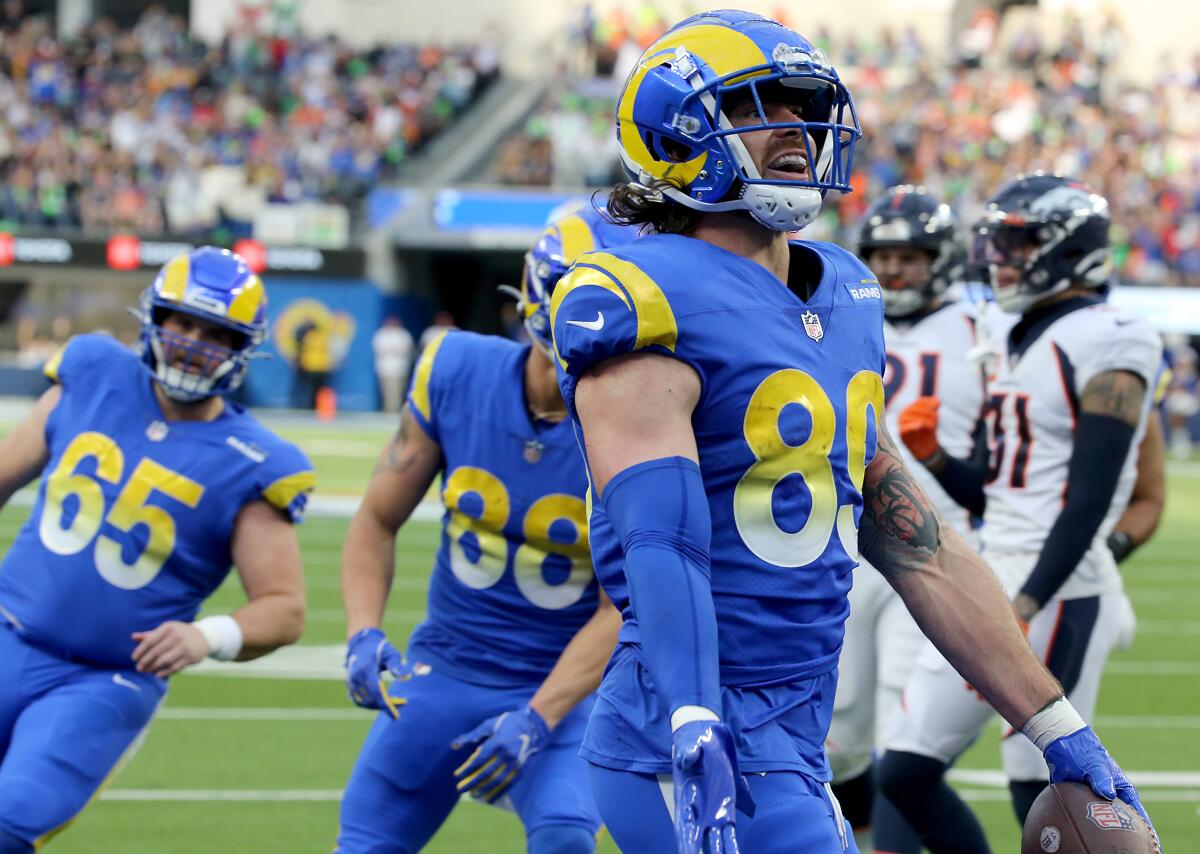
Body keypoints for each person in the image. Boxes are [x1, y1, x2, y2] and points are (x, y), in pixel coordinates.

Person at [547, 13, 1156, 853]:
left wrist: (1054, 724)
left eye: (808, 107)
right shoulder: (640, 293)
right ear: (678, 128)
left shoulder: (844, 293)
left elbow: (919, 545)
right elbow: (662, 540)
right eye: (766, 106)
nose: (799, 129)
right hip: (683, 736)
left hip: (793, 733)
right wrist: (694, 717)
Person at [335, 204, 635, 854]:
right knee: (364, 843)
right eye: (566, 293)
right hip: (446, 668)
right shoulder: (456, 369)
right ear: (532, 289)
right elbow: (376, 519)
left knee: (563, 836)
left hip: (563, 691)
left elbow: (624, 605)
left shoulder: (641, 421)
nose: (578, 315)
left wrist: (538, 716)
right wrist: (362, 632)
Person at [877, 173, 1163, 852]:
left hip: (1055, 582)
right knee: (906, 771)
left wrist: (1030, 598)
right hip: (992, 562)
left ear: (1069, 249)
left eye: (1020, 242)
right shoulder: (1013, 333)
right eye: (999, 242)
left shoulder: (1113, 336)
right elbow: (997, 491)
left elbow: (1087, 499)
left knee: (1045, 790)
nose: (1002, 258)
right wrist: (937, 461)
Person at [0, 247, 312, 852]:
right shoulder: (92, 371)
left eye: (214, 332)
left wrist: (207, 636)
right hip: (6, 630)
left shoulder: (252, 462)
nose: (193, 343)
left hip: (100, 678)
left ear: (242, 347)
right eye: (182, 323)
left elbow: (284, 607)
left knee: (9, 822)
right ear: (154, 319)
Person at [825, 185, 982, 854]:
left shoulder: (984, 331)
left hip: (932, 548)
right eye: (882, 255)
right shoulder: (840, 316)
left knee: (900, 733)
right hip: (850, 546)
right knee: (837, 737)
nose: (891, 270)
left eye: (908, 256)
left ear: (940, 258)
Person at [371, 316, 415, 413]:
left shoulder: (403, 334)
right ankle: (390, 410)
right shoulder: (381, 334)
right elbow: (379, 349)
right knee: (388, 390)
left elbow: (407, 348)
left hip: (400, 367)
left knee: (399, 390)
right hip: (385, 367)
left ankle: (397, 409)